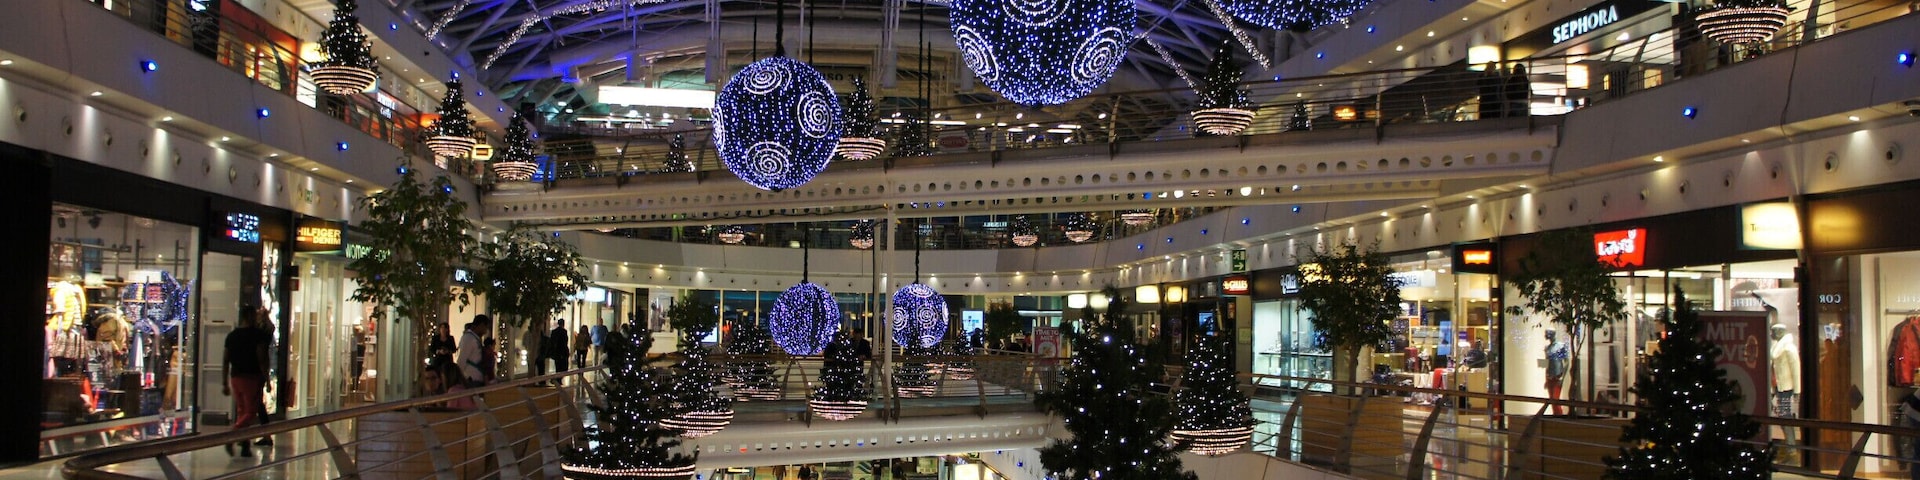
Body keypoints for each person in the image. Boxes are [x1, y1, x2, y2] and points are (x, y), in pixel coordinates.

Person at [222, 307, 273, 457]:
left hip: (235, 377)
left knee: (242, 411)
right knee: (250, 412)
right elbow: (262, 359)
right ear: (250, 316)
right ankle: (231, 436)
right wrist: (267, 379)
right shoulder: (257, 335)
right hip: (251, 378)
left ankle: (245, 445)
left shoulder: (232, 336)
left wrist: (224, 382)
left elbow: (225, 360)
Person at [457, 316, 492, 387]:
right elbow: (462, 359)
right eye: (486, 328)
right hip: (471, 378)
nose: (486, 331)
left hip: (476, 378)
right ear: (481, 325)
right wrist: (459, 377)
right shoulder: (469, 338)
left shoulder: (474, 338)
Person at [1544, 329, 1570, 415]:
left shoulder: (1560, 346)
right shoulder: (1547, 348)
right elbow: (1546, 363)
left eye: (1547, 333)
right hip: (1550, 377)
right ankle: (1556, 416)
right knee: (1552, 400)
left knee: (1555, 400)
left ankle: (1559, 417)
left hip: (1557, 376)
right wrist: (1546, 378)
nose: (1546, 335)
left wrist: (1562, 377)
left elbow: (1566, 362)